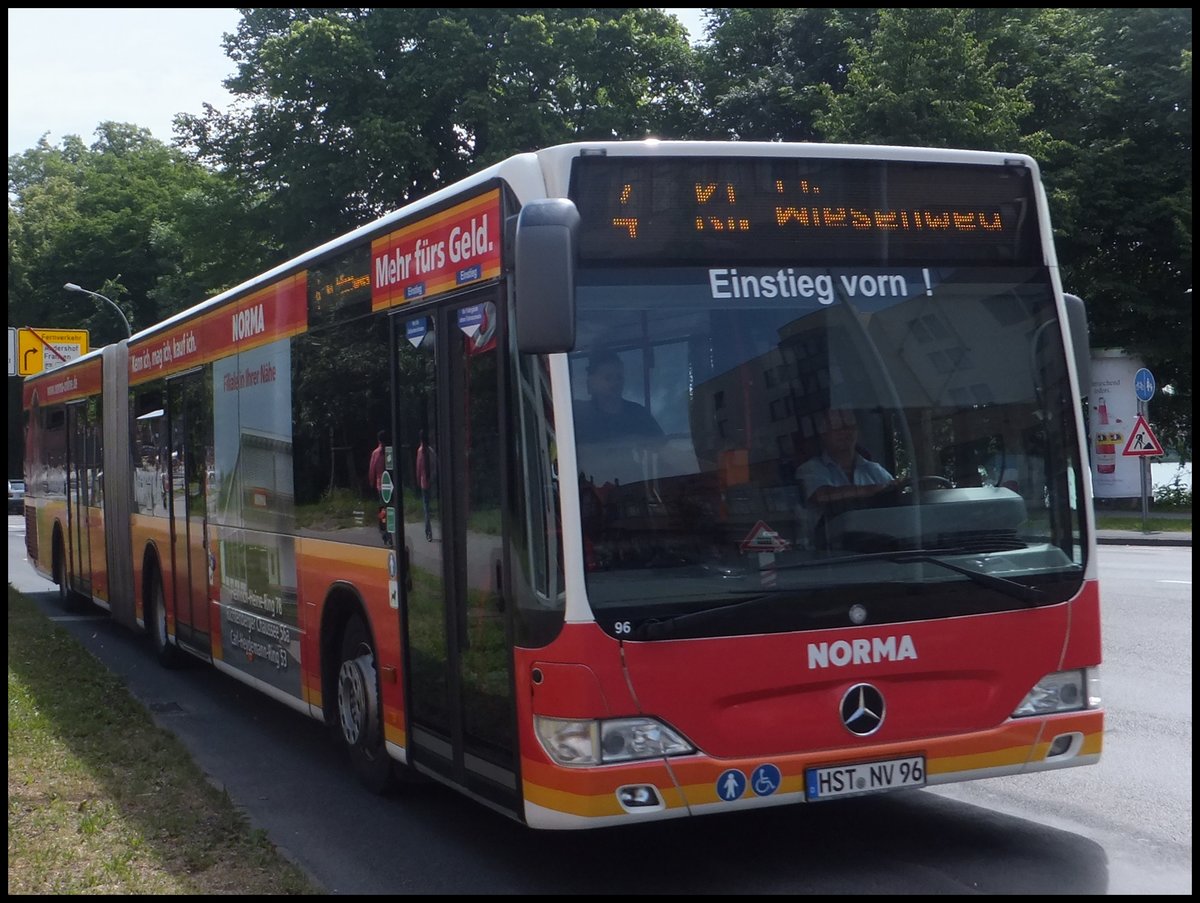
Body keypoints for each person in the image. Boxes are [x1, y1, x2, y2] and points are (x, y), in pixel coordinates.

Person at [796, 408, 902, 508]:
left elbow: (895, 492)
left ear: (857, 431)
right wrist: (872, 490)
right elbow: (820, 496)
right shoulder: (810, 469)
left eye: (849, 425)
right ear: (823, 434)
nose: (844, 431)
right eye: (836, 426)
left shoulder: (874, 470)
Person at [574, 350, 664, 446]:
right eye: (608, 378)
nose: (615, 383)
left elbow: (662, 446)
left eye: (619, 377)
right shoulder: (578, 416)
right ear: (591, 383)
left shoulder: (638, 415)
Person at [368, 431, 391, 547]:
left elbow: (372, 469)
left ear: (378, 440)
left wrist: (371, 482)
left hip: (380, 485)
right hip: (390, 486)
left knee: (382, 510)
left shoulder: (375, 453)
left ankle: (384, 533)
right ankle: (390, 534)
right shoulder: (389, 453)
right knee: (390, 510)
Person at [415, 429, 436, 542]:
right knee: (428, 507)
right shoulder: (430, 451)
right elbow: (435, 466)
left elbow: (418, 468)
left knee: (426, 508)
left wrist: (418, 480)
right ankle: (429, 531)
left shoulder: (420, 451)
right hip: (430, 482)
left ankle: (428, 532)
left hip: (424, 482)